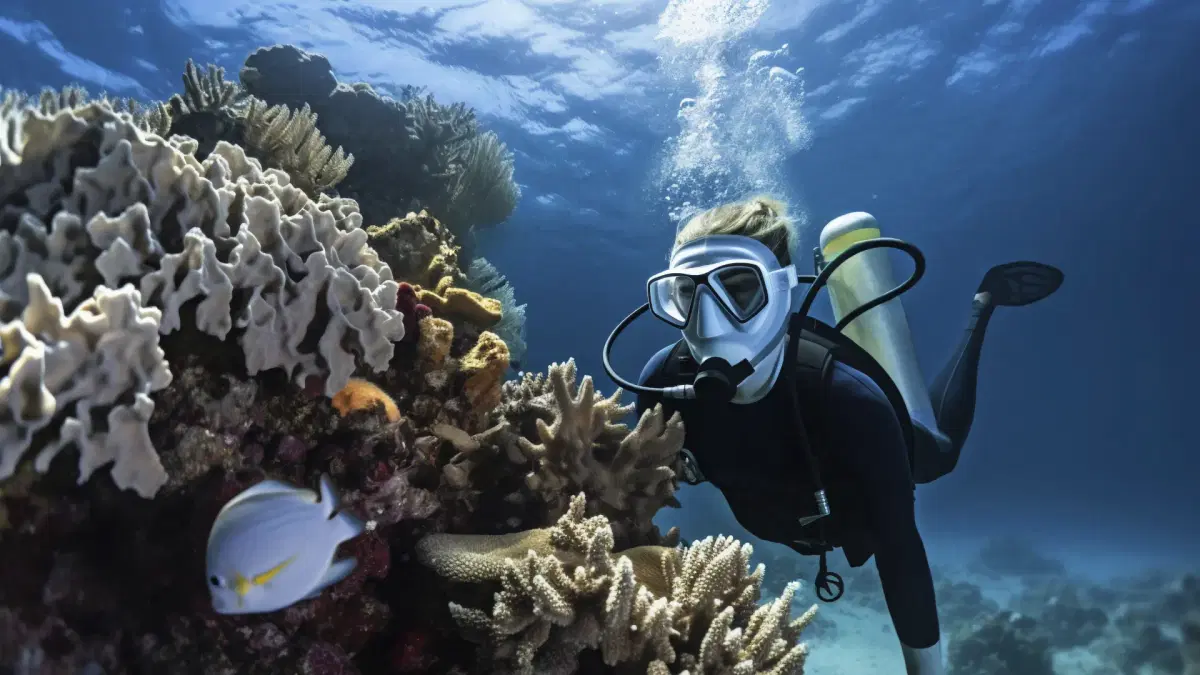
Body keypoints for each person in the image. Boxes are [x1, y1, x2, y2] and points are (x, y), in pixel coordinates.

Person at [601, 197, 1063, 675]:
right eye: (685, 295)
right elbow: (630, 504)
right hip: (795, 514)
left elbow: (899, 548)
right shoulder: (662, 385)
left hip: (858, 490)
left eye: (738, 290)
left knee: (937, 454)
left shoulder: (852, 403)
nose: (707, 322)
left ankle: (982, 307)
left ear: (780, 290)